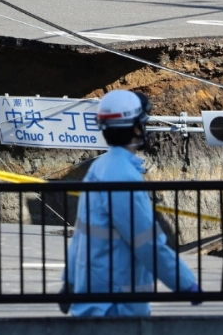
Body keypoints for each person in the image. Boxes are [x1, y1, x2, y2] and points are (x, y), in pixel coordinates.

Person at [61, 89, 199, 317]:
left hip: (94, 299)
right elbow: (147, 243)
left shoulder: (101, 166)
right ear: (136, 128)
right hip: (117, 307)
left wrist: (70, 282)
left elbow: (81, 236)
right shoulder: (123, 176)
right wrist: (185, 284)